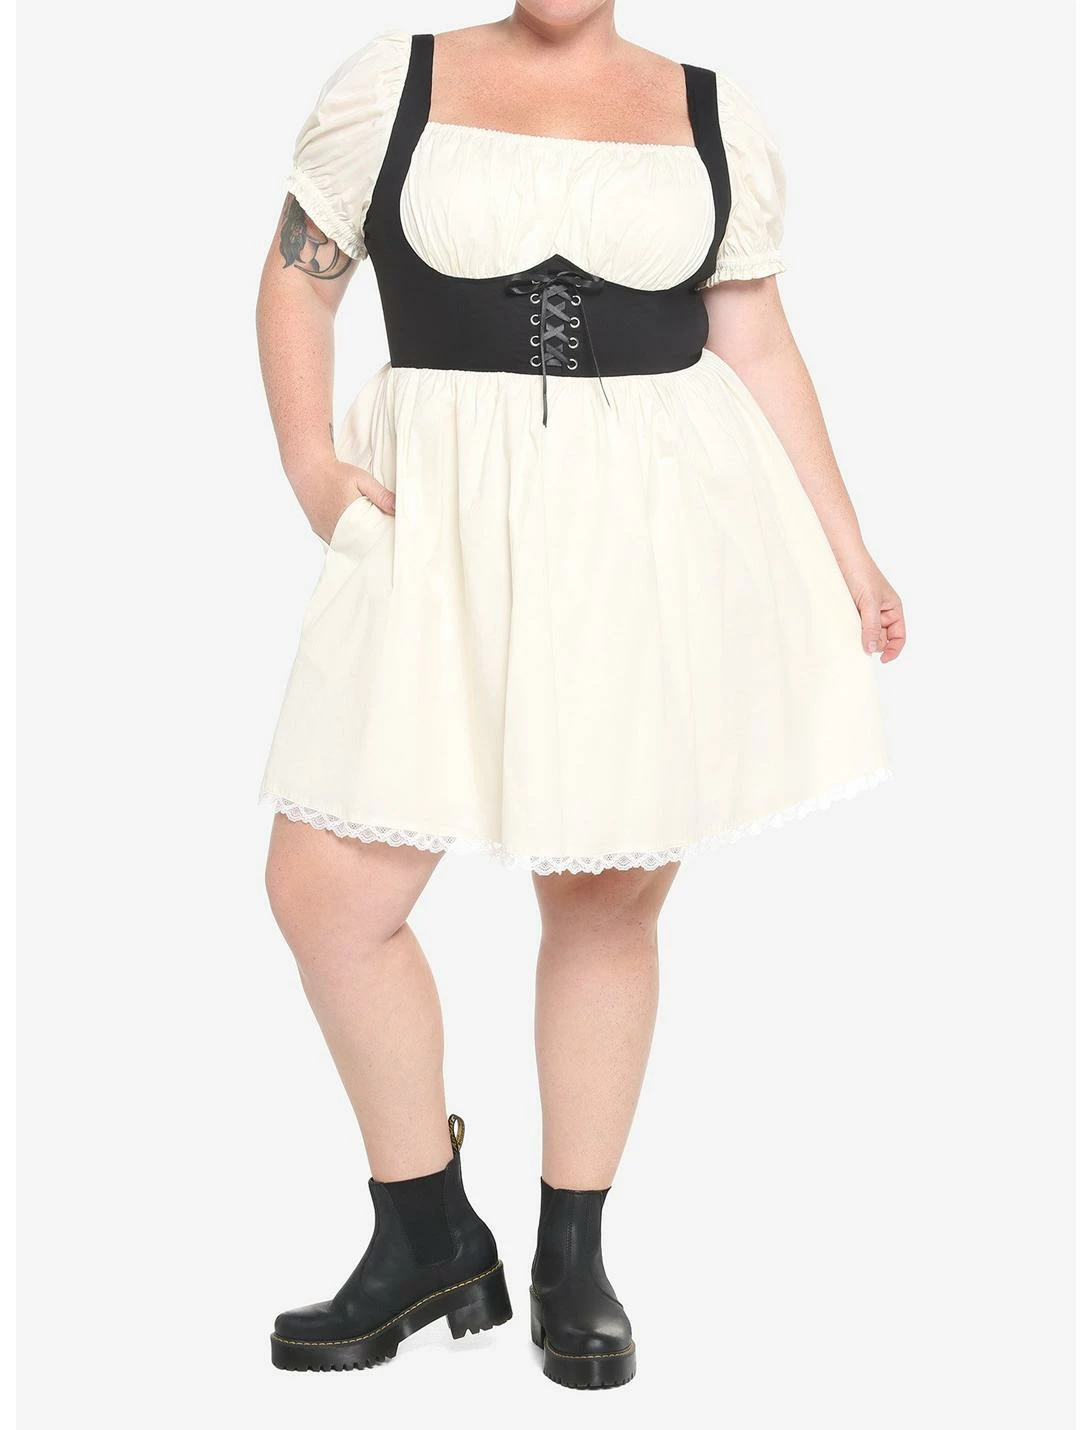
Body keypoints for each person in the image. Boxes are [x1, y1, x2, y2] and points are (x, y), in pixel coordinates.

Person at [255, 3, 903, 1390]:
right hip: (435, 527)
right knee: (326, 890)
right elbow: (299, 280)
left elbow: (756, 339)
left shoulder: (711, 111)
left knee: (605, 893)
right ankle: (427, 1229)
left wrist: (847, 550)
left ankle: (573, 1253)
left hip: (649, 529)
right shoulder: (395, 82)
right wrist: (312, 465)